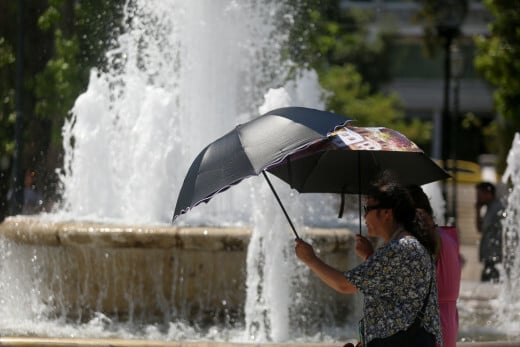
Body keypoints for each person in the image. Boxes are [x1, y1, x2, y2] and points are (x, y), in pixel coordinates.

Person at [294, 181, 442, 347]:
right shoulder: (405, 244)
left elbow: (344, 285)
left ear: (387, 213)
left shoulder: (400, 248)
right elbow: (393, 296)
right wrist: (369, 256)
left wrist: (310, 259)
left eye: (368, 209)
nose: (364, 217)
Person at [407, 184, 461, 347]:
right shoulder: (446, 237)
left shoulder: (424, 242)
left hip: (429, 328)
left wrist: (370, 257)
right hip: (447, 322)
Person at [475, 181, 504, 283]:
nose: (477, 198)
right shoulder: (488, 208)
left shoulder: (498, 208)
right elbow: (480, 229)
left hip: (496, 258)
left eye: (479, 195)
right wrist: (477, 210)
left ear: (488, 194)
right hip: (490, 258)